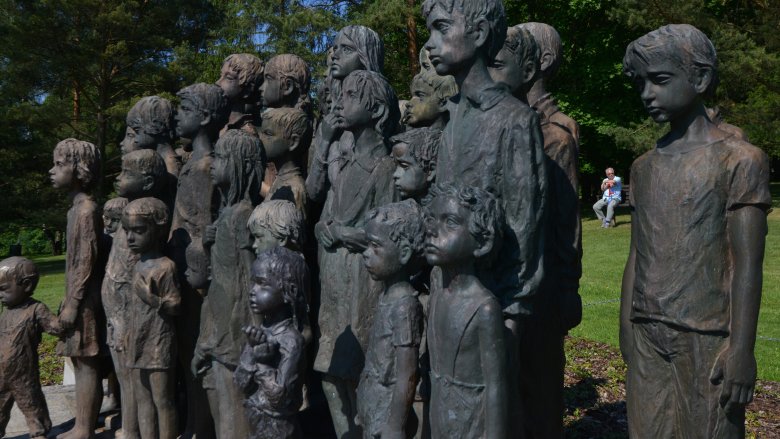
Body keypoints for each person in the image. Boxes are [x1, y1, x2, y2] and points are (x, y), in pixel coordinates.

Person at [621, 24, 770, 438]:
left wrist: (741, 349)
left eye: (660, 80)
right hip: (648, 331)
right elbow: (638, 252)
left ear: (700, 79)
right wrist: (625, 325)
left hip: (707, 337)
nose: (647, 93)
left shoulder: (739, 161)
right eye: (640, 83)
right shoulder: (643, 166)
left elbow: (746, 265)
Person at [312, 70, 399, 437]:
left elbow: (391, 229)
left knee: (360, 374)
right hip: (334, 277)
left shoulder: (387, 166)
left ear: (375, 108)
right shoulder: (343, 164)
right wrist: (323, 227)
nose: (339, 102)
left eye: (350, 96)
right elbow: (324, 211)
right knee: (330, 375)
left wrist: (348, 233)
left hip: (364, 280)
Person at [421, 183, 509, 438]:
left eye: (450, 222)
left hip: (473, 423)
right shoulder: (436, 298)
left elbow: (495, 388)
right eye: (431, 220)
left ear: (482, 241)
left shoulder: (485, 308)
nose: (432, 231)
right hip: (440, 417)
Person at [193, 129, 265, 439]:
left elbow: (251, 278)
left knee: (235, 409)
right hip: (220, 327)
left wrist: (257, 330)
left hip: (235, 332)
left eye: (221, 158)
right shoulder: (227, 214)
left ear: (241, 165)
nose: (213, 164)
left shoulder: (242, 216)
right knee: (223, 405)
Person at [49, 138, 106, 439]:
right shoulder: (77, 209)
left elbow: (85, 261)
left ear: (79, 168)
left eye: (59, 165)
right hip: (78, 297)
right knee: (79, 358)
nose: (52, 171)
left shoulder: (85, 211)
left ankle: (84, 428)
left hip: (84, 300)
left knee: (86, 362)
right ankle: (82, 422)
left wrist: (72, 304)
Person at [356, 201, 425, 438]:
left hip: (386, 414)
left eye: (375, 246)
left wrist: (395, 426)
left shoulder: (405, 306)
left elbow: (407, 373)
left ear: (404, 253)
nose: (366, 253)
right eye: (366, 245)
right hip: (373, 407)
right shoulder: (387, 296)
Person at [234, 247, 309, 439]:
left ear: (288, 292)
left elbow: (280, 399)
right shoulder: (260, 332)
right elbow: (241, 384)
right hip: (256, 425)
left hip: (279, 431)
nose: (253, 291)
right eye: (253, 283)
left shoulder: (292, 341)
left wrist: (263, 362)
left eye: (262, 284)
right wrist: (252, 351)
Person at [123, 197, 181, 439]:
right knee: (142, 398)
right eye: (127, 231)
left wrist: (152, 299)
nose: (130, 238)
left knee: (162, 400)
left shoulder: (165, 267)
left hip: (159, 341)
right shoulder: (137, 265)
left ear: (156, 230)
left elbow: (175, 305)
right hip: (137, 340)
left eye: (138, 231)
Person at [0, 257, 63, 439]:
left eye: (3, 289)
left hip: (24, 372)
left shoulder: (36, 309)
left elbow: (55, 327)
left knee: (31, 402)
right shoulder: (6, 311)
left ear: (26, 285)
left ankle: (39, 432)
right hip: (1, 371)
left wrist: (64, 317)